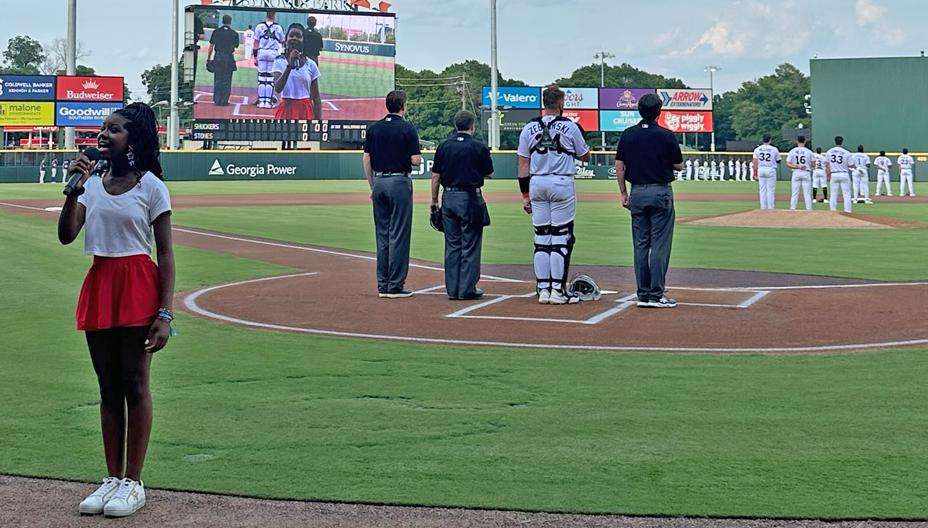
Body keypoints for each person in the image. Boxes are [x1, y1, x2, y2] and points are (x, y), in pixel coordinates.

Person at [57, 103, 175, 518]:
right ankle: (111, 479)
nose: (104, 135)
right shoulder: (90, 184)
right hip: (101, 282)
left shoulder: (151, 187)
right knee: (108, 387)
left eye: (115, 129)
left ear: (135, 139)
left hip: (138, 284)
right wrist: (74, 188)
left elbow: (165, 253)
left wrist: (165, 313)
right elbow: (68, 235)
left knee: (135, 384)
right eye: (103, 128)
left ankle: (133, 482)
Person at [517, 85, 591, 305]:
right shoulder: (571, 127)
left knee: (541, 238)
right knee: (560, 237)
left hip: (537, 182)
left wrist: (524, 195)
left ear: (543, 103)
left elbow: (522, 164)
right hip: (561, 182)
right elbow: (585, 156)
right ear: (561, 105)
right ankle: (557, 291)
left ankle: (543, 289)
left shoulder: (529, 128)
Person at [614, 93, 682, 309]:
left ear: (639, 111)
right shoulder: (666, 135)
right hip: (660, 191)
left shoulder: (628, 134)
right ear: (659, 112)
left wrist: (623, 193)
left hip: (637, 192)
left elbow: (619, 166)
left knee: (641, 245)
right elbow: (679, 165)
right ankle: (656, 294)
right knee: (660, 245)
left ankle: (643, 293)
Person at [363, 90, 422, 298]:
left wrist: (372, 186)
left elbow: (366, 159)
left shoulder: (374, 128)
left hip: (379, 182)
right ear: (403, 106)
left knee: (382, 234)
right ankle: (395, 285)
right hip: (399, 181)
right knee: (399, 234)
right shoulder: (407, 128)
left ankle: (383, 284)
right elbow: (416, 160)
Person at [430, 111, 494, 301]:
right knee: (470, 245)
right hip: (470, 198)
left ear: (456, 125)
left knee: (452, 245)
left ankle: (453, 289)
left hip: (448, 196)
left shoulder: (444, 146)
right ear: (472, 126)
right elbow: (490, 173)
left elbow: (436, 177)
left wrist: (434, 201)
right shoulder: (478, 147)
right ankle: (466, 289)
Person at [272, 23, 322, 120]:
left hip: (305, 109)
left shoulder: (311, 64)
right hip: (286, 108)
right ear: (286, 39)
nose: (294, 38)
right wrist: (289, 66)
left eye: (298, 36)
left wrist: (318, 123)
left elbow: (316, 97)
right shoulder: (279, 61)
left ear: (303, 41)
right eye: (291, 35)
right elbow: (277, 88)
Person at [254, 11, 284, 109]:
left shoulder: (259, 26)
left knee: (262, 78)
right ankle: (268, 102)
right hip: (273, 53)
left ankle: (261, 101)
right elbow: (282, 41)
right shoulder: (278, 27)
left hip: (262, 52)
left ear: (266, 15)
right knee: (270, 79)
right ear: (274, 16)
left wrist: (255, 57)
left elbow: (256, 43)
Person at [207, 15, 239, 107]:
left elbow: (211, 46)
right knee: (227, 79)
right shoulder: (234, 33)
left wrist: (208, 58)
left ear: (222, 21)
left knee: (218, 78)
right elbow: (234, 47)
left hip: (218, 56)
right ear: (230, 22)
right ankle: (224, 100)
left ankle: (217, 100)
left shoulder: (216, 32)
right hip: (228, 57)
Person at [826, 136, 855, 213]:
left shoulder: (829, 151)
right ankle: (848, 211)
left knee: (833, 194)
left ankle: (832, 210)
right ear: (842, 142)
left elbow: (827, 164)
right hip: (844, 174)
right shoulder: (847, 152)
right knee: (846, 194)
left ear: (835, 142)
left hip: (834, 174)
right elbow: (851, 165)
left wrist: (828, 174)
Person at [753, 134, 781, 209]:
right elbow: (779, 160)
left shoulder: (757, 149)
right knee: (770, 190)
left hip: (761, 169)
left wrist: (755, 173)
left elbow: (755, 161)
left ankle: (763, 208)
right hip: (770, 169)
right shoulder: (774, 149)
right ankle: (770, 208)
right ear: (770, 140)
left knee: (762, 190)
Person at [786, 135, 814, 211]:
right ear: (805, 141)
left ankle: (792, 208)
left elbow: (788, 163)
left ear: (797, 141)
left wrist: (797, 166)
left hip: (796, 172)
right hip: (806, 172)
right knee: (807, 193)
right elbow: (813, 164)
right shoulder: (809, 151)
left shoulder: (793, 151)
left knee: (794, 193)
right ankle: (809, 209)